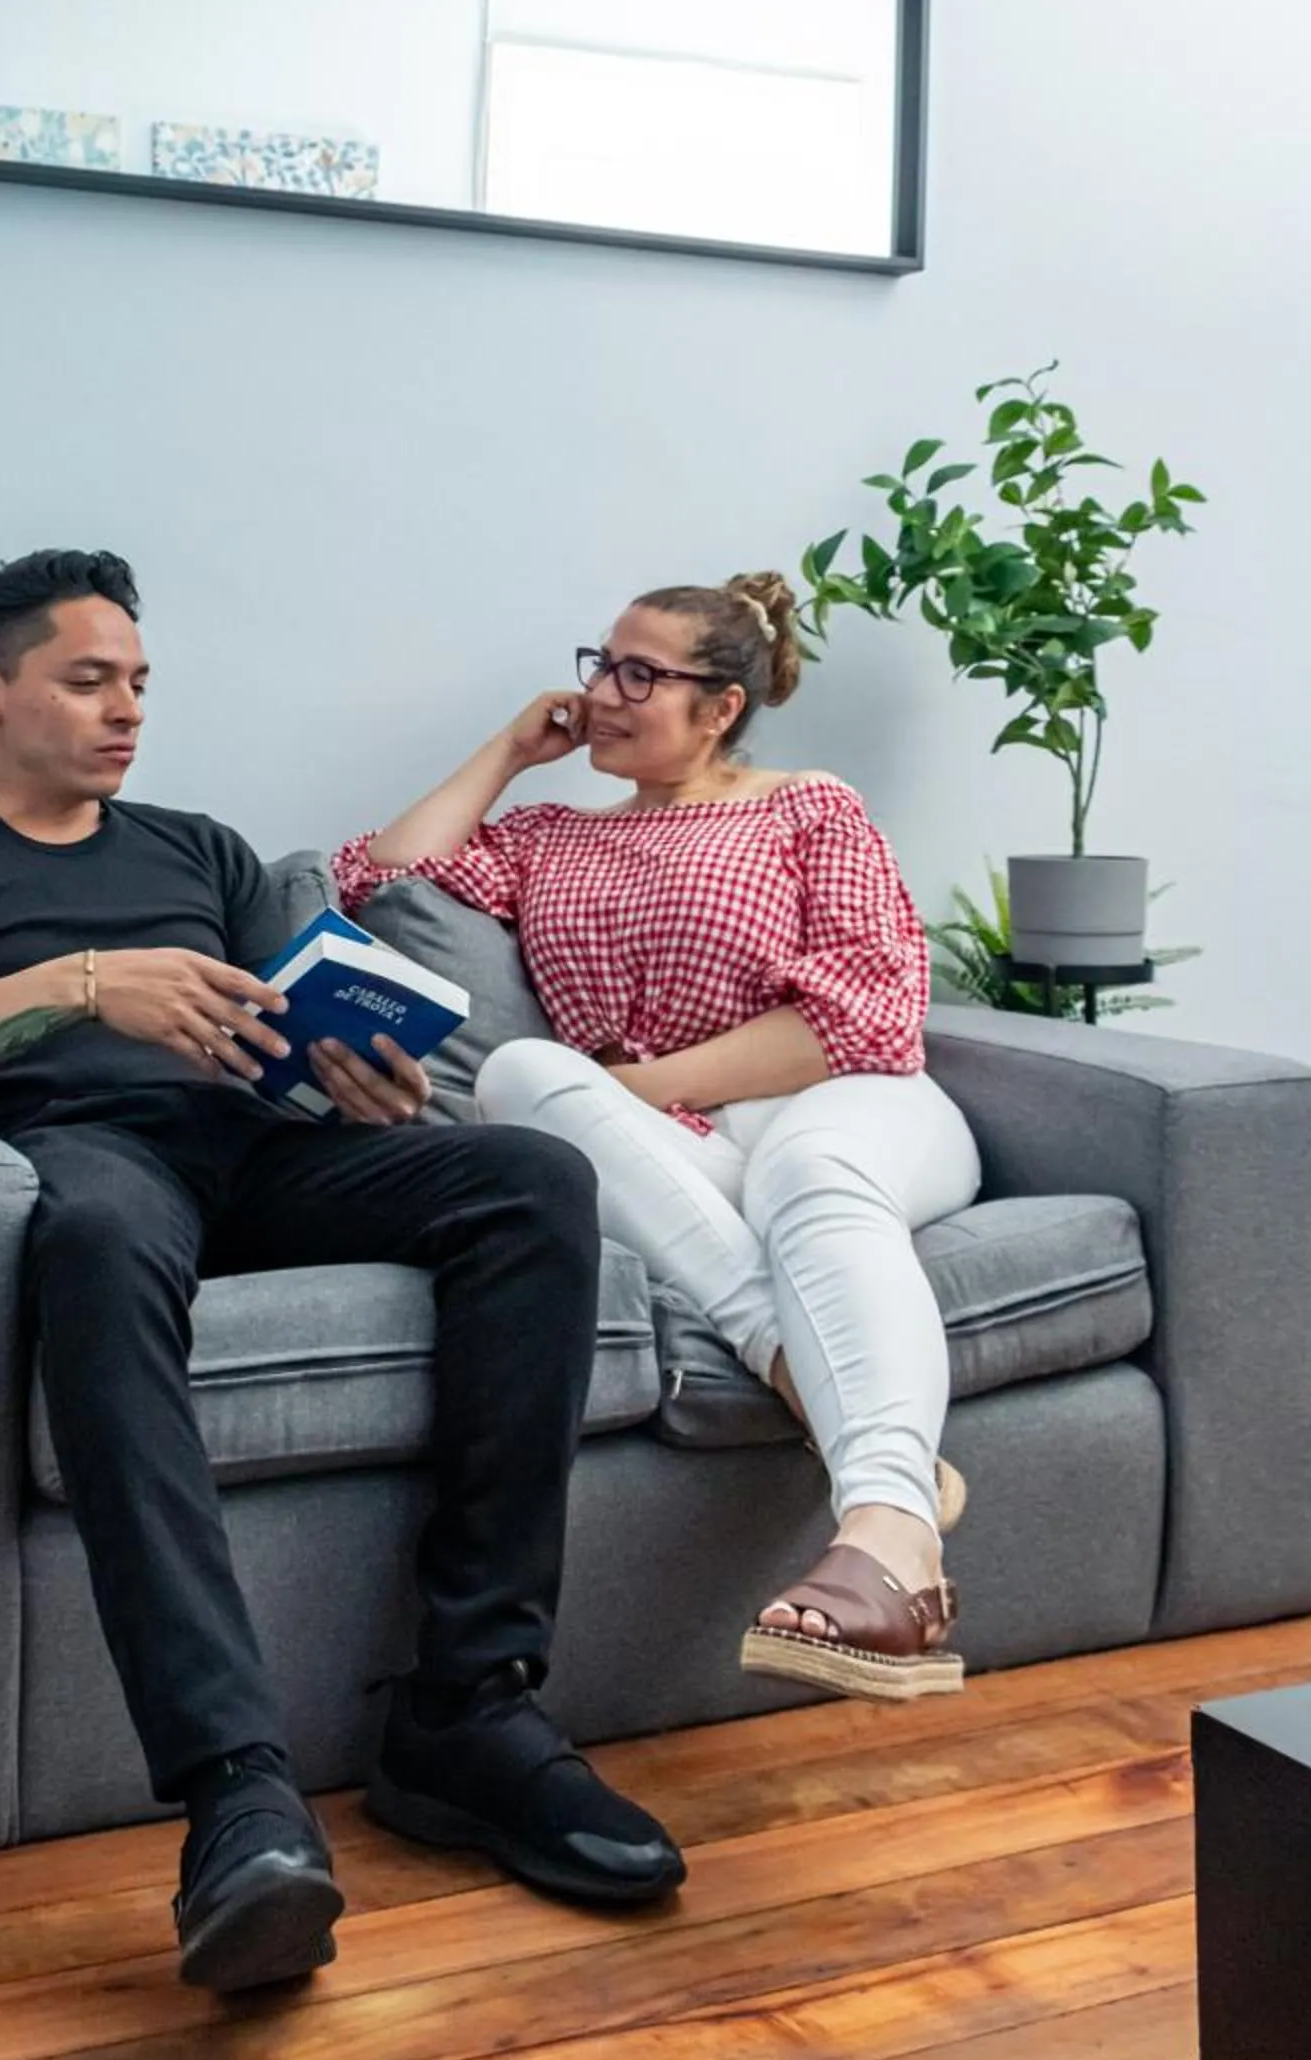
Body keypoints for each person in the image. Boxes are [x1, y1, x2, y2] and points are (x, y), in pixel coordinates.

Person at [0, 548, 685, 1996]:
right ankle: (239, 1800)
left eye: (139, 682)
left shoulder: (202, 852)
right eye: (88, 680)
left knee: (530, 1179)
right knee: (89, 1234)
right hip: (88, 1161)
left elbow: (319, 1014)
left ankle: (471, 1712)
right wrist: (85, 986)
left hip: (253, 1151)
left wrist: (360, 1073)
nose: (126, 710)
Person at [334, 573, 981, 1707]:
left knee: (805, 1170)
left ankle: (889, 1542)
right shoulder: (546, 839)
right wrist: (506, 751)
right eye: (600, 663)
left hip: (844, 1105)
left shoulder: (804, 807)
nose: (603, 692)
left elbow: (862, 1013)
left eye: (640, 673)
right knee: (519, 1074)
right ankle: (857, 1431)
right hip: (672, 1154)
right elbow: (377, 880)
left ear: (719, 705)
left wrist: (635, 1085)